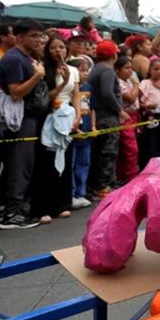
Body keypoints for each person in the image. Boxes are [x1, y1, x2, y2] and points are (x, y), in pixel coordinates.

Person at [0, 20, 47, 229]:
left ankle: (4, 207)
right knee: (19, 165)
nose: (39, 39)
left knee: (18, 164)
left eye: (40, 36)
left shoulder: (27, 57)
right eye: (34, 35)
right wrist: (37, 76)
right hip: (20, 119)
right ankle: (12, 213)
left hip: (30, 117)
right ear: (19, 36)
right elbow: (16, 92)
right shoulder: (14, 59)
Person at [31, 35, 79, 224]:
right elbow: (46, 98)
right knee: (46, 163)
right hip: (49, 117)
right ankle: (43, 207)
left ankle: (62, 204)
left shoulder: (73, 69)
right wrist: (61, 82)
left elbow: (76, 94)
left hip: (67, 118)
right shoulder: (44, 70)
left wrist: (77, 117)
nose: (58, 51)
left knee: (65, 161)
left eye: (61, 47)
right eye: (53, 48)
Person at [89, 40, 122, 196]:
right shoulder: (107, 70)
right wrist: (120, 110)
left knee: (99, 152)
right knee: (108, 152)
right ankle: (103, 185)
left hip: (98, 116)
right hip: (108, 116)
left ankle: (100, 184)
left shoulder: (95, 69)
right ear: (114, 55)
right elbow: (107, 93)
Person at [138, 57, 160, 168]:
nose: (159, 72)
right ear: (150, 70)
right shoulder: (145, 83)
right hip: (151, 118)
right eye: (155, 69)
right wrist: (146, 106)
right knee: (151, 145)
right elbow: (138, 102)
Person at [69, 56, 94, 209]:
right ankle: (71, 193)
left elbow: (92, 109)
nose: (84, 73)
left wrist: (93, 126)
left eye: (86, 70)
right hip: (73, 131)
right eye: (81, 70)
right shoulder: (71, 89)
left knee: (84, 162)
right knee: (72, 163)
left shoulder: (89, 88)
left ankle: (81, 192)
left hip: (86, 132)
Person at [115, 55, 141, 184]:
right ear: (118, 70)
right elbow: (131, 97)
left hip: (135, 115)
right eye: (126, 68)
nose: (130, 71)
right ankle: (131, 176)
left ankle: (123, 175)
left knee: (127, 148)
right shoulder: (118, 82)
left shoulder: (128, 80)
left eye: (131, 68)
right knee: (131, 148)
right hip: (126, 117)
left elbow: (139, 95)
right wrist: (136, 84)